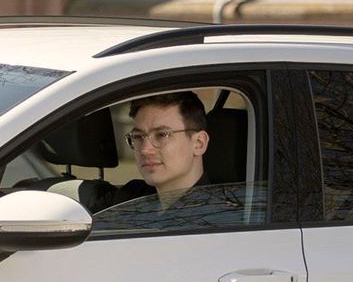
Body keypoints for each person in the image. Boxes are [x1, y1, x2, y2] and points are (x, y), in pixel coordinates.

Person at [87, 92, 246, 232]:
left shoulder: (221, 221)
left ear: (199, 143)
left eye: (163, 135)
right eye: (138, 137)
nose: (145, 149)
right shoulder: (127, 198)